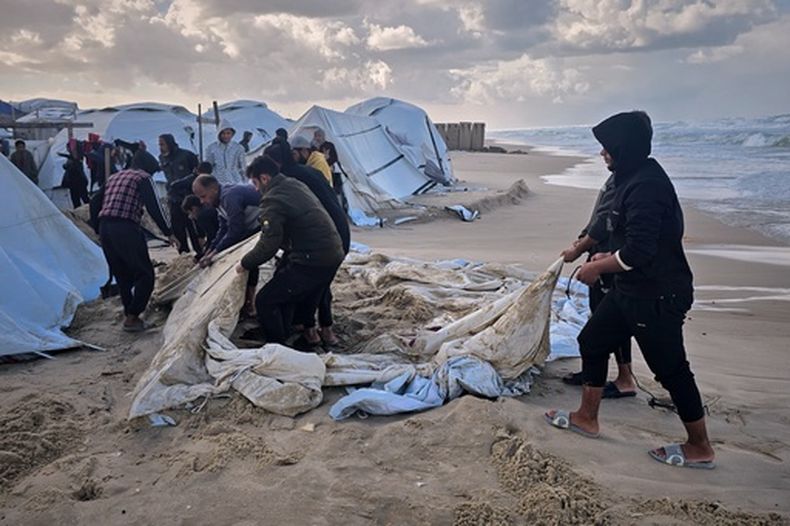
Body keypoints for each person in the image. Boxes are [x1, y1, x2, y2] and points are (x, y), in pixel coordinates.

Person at [545, 111, 715, 470]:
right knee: (592, 340)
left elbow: (640, 252)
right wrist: (606, 254)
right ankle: (586, 418)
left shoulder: (647, 186)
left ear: (624, 148)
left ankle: (700, 446)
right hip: (630, 289)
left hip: (658, 296)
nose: (602, 153)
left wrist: (595, 266)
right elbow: (627, 239)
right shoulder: (628, 177)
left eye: (607, 147)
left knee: (671, 371)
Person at [236, 156, 344, 346]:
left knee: (265, 300)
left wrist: (244, 263)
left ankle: (277, 347)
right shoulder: (293, 184)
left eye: (254, 182)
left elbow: (269, 244)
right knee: (286, 285)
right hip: (333, 252)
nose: (254, 188)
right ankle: (297, 332)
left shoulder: (272, 199)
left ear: (264, 178)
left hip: (313, 259)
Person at [264, 142, 350, 346]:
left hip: (325, 235)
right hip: (340, 230)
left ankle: (311, 329)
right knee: (322, 282)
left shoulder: (287, 180)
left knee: (310, 281)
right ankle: (323, 329)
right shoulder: (310, 171)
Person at [560, 173, 636, 398]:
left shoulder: (626, 180)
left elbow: (604, 222)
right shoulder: (618, 178)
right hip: (602, 254)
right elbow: (599, 215)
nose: (603, 153)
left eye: (608, 147)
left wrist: (579, 248)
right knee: (598, 313)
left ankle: (625, 379)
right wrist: (585, 236)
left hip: (609, 258)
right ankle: (593, 372)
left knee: (611, 320)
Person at [97, 150, 177, 332]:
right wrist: (169, 232)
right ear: (148, 167)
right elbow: (154, 206)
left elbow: (96, 202)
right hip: (125, 227)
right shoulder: (143, 178)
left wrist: (97, 227)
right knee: (145, 273)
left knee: (122, 274)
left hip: (105, 227)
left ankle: (129, 316)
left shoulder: (114, 177)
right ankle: (134, 316)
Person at [193, 174, 262, 315]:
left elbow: (236, 230)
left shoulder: (229, 197)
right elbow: (223, 228)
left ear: (213, 189)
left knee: (249, 261)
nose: (202, 201)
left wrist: (215, 253)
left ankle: (251, 303)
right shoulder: (218, 202)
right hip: (247, 227)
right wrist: (209, 251)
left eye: (203, 196)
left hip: (259, 225)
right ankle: (246, 302)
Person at [159, 134, 201, 256]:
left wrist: (181, 184)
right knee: (178, 229)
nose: (161, 147)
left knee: (194, 227)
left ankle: (200, 253)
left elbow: (196, 174)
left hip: (188, 197)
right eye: (159, 144)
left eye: (163, 144)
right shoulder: (162, 158)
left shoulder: (187, 155)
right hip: (174, 199)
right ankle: (184, 256)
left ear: (170, 143)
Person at [312, 128, 347, 211]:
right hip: (319, 173)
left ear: (323, 136)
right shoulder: (313, 147)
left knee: (335, 192)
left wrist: (326, 160)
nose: (318, 138)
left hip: (332, 172)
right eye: (316, 136)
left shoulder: (329, 145)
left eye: (319, 136)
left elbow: (334, 158)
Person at [205, 119, 246, 184]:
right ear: (219, 134)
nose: (226, 136)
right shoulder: (211, 148)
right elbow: (208, 168)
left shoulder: (238, 148)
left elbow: (243, 168)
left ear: (232, 134)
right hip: (218, 183)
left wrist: (246, 184)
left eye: (228, 133)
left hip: (236, 182)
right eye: (223, 133)